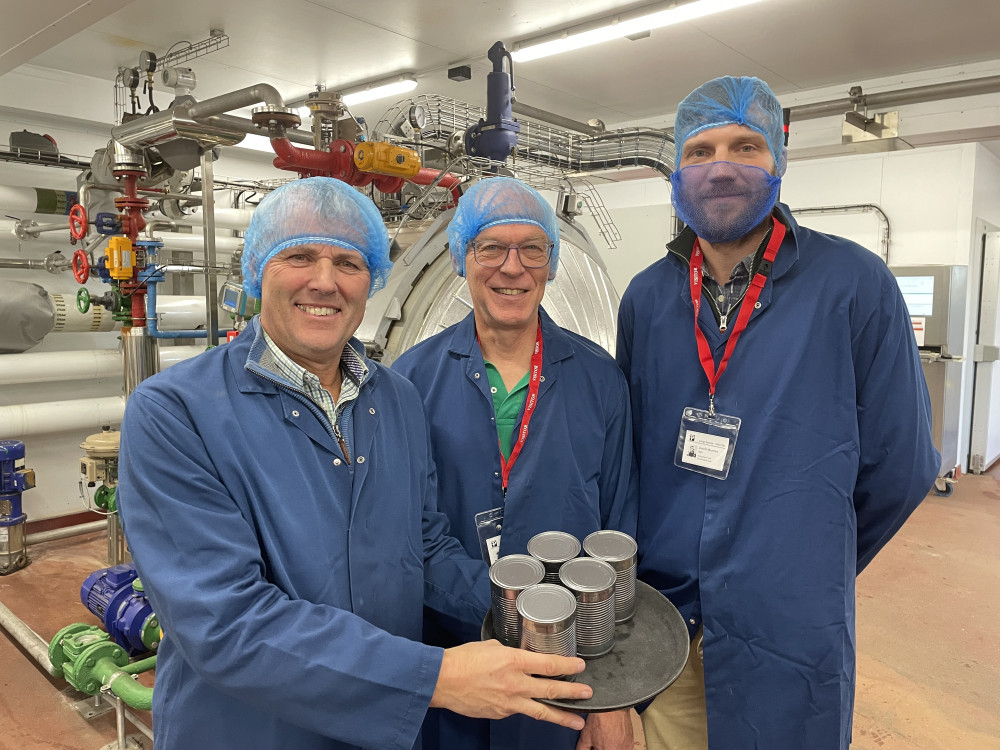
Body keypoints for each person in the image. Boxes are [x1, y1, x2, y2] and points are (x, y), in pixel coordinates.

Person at [116, 177, 594, 750]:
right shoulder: (175, 412)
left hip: (384, 732)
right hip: (251, 731)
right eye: (299, 256)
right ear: (256, 271)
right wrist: (434, 678)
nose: (324, 281)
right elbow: (226, 622)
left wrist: (530, 613)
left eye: (348, 262)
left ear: (372, 278)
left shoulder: (395, 399)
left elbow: (427, 547)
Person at [616, 76, 939, 750]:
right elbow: (629, 457)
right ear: (677, 169)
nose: (721, 167)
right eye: (700, 150)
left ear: (779, 160)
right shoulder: (647, 299)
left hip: (787, 626)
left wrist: (805, 558)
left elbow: (903, 465)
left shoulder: (853, 285)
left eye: (745, 146)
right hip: (666, 621)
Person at [393, 177, 638, 750]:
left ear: (551, 263)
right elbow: (406, 534)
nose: (513, 267)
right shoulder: (410, 381)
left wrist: (614, 694)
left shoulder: (600, 379)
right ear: (462, 258)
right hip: (453, 663)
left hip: (570, 671)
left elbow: (620, 532)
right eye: (491, 248)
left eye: (532, 249)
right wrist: (507, 608)